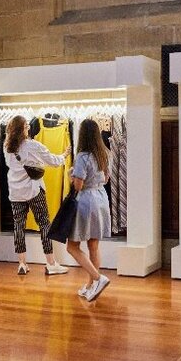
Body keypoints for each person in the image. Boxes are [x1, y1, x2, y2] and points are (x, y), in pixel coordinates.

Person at [5, 115, 70, 276]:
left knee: (18, 226)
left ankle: (21, 263)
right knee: (44, 225)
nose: (29, 128)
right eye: (27, 126)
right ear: (24, 129)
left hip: (15, 191)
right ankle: (50, 263)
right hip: (34, 190)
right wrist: (65, 155)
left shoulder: (6, 147)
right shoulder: (32, 145)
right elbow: (53, 161)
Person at [66, 118, 112, 302]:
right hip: (101, 198)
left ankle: (98, 279)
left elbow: (78, 185)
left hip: (86, 201)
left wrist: (71, 175)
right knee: (93, 245)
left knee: (72, 246)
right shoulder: (104, 154)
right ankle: (90, 286)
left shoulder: (82, 156)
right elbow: (106, 179)